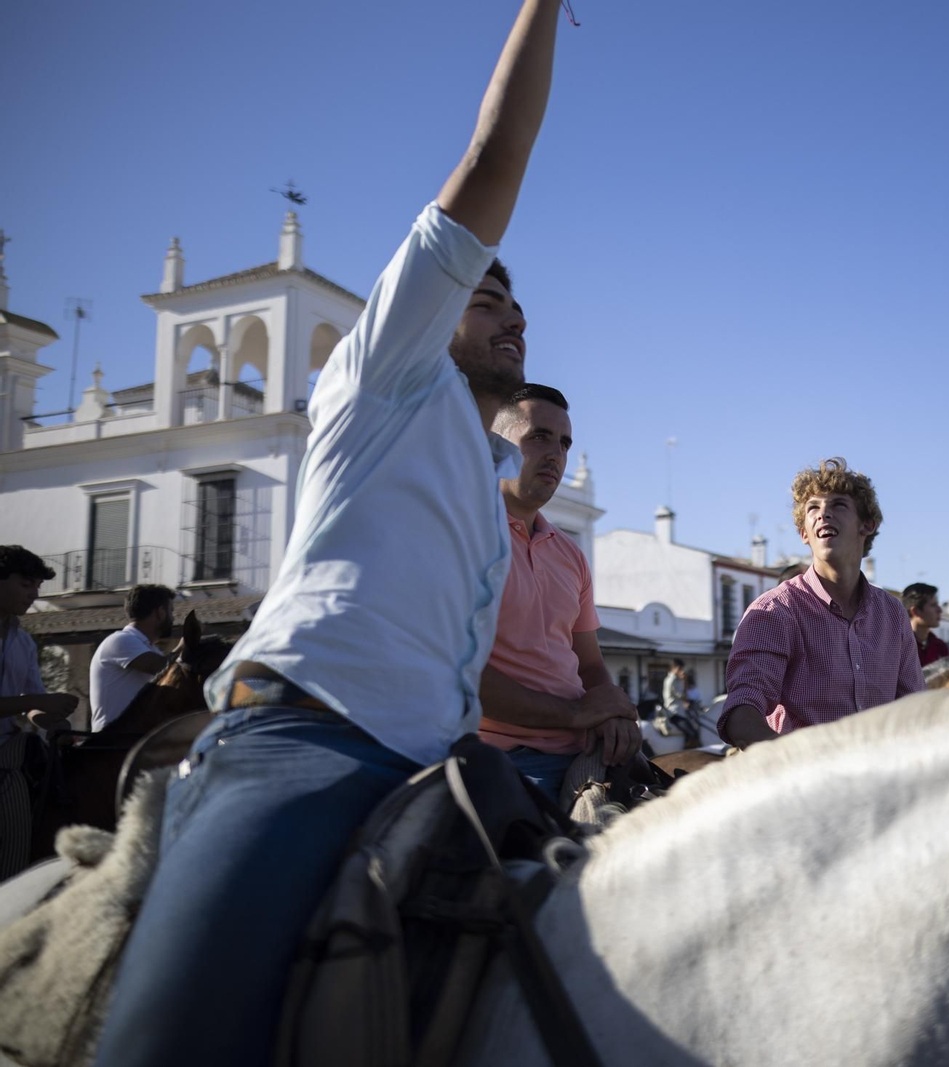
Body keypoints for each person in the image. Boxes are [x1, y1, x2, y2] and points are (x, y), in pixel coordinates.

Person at [96, 6, 573, 1063]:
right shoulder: (381, 368)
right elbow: (495, 157)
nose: (512, 312)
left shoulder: (489, 475)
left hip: (439, 774)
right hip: (299, 744)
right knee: (170, 1044)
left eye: (517, 306)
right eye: (487, 294)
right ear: (427, 306)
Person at [477, 385, 640, 801]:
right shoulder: (465, 533)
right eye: (539, 437)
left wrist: (613, 710)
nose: (555, 454)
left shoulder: (571, 554)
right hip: (500, 758)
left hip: (583, 752)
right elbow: (457, 672)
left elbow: (590, 664)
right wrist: (577, 713)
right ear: (498, 445)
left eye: (564, 443)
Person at [718, 458, 923, 747]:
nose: (822, 514)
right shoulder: (774, 612)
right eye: (813, 508)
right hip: (806, 786)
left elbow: (914, 710)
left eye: (838, 505)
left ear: (867, 525)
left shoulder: (892, 613)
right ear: (804, 533)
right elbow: (741, 716)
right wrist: (802, 766)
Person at [0, 546, 80, 879]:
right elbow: (29, 699)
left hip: (8, 744)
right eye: (26, 584)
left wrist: (55, 724)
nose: (34, 595)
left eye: (37, 587)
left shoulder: (24, 643)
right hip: (5, 756)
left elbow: (32, 705)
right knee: (15, 785)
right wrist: (37, 702)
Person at [88, 584, 175, 732]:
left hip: (133, 739)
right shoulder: (121, 640)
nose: (173, 618)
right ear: (160, 612)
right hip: (112, 742)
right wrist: (186, 645)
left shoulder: (149, 648)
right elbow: (165, 668)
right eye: (171, 611)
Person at [901, 582, 949, 666]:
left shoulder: (940, 647)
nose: (939, 610)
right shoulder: (898, 646)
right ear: (915, 611)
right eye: (933, 605)